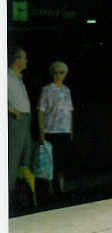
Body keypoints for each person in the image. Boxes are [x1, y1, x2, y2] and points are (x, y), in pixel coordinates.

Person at [37, 61, 75, 193]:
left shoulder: (67, 90)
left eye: (62, 72)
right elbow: (40, 111)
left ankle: (61, 188)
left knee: (62, 161)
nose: (58, 75)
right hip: (50, 131)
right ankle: (50, 190)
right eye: (56, 72)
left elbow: (70, 111)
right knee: (50, 163)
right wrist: (41, 133)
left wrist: (71, 131)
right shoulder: (46, 90)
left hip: (64, 131)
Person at [8, 46, 32, 194]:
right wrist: (11, 109)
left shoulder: (18, 77)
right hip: (16, 118)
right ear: (17, 60)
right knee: (13, 156)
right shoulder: (6, 75)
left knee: (26, 154)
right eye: (24, 57)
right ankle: (7, 193)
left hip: (25, 117)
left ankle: (20, 192)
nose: (26, 60)